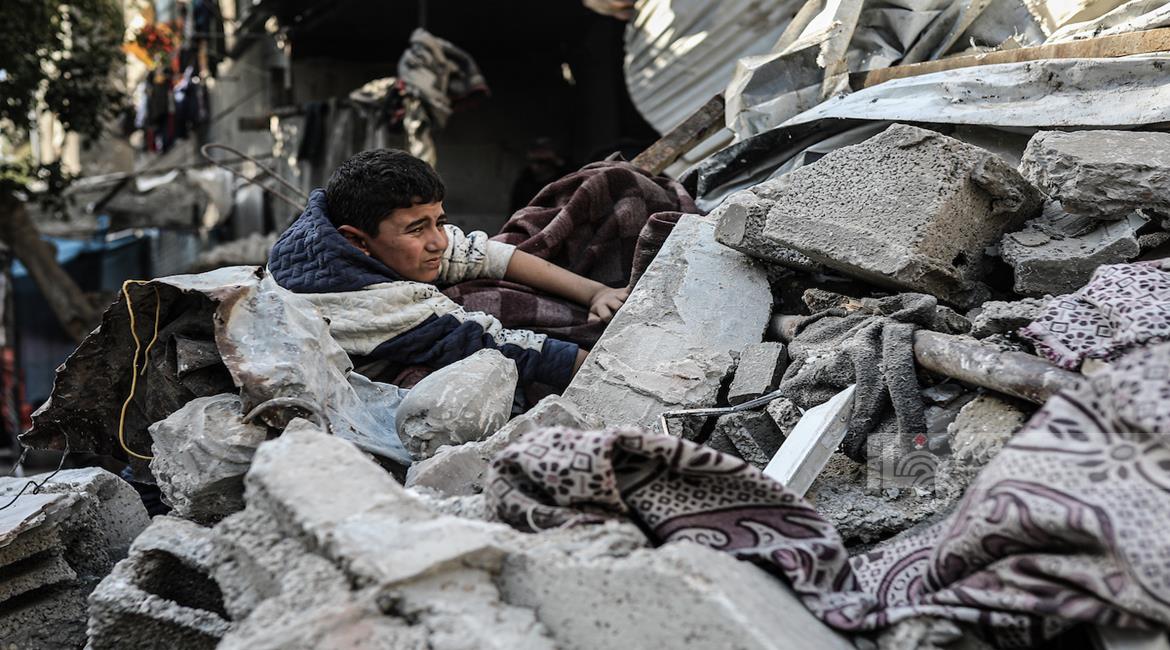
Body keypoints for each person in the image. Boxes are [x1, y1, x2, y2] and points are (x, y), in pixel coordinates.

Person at [267, 148, 629, 394]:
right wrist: (611, 374)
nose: (438, 241)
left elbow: (479, 253)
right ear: (357, 241)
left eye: (439, 222)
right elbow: (495, 344)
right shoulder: (366, 304)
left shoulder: (336, 230)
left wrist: (595, 292)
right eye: (417, 229)